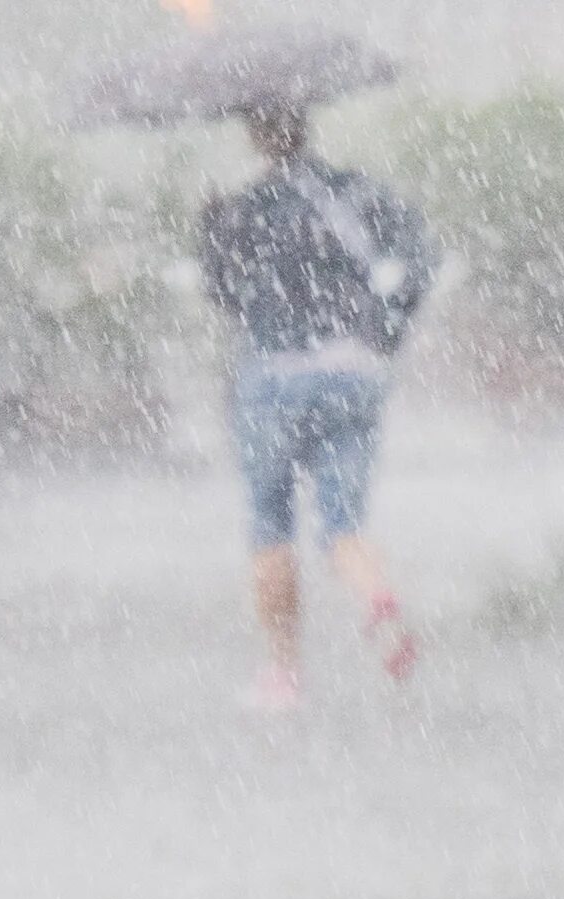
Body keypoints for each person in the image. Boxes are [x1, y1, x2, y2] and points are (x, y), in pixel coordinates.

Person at [199, 102, 435, 710]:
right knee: (343, 523)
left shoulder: (246, 208)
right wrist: (385, 329)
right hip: (353, 373)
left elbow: (225, 296)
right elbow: (421, 258)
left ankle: (283, 675)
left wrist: (209, 229)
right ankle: (377, 597)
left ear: (255, 135)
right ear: (307, 127)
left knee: (270, 522)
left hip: (273, 376)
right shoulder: (356, 193)